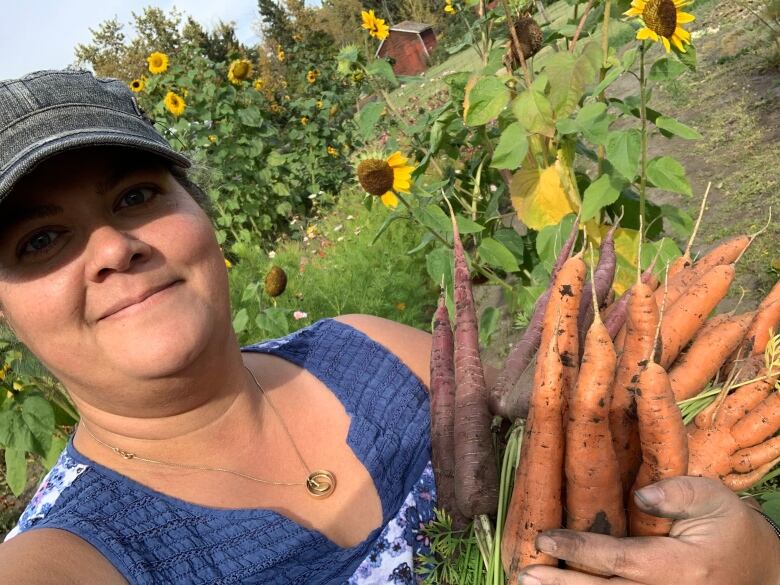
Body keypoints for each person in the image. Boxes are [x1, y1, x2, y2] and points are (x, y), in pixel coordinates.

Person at [0, 69, 776, 585]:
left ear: (203, 216)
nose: (111, 247)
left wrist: (757, 561)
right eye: (40, 240)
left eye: (136, 196)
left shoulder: (367, 350)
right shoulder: (66, 558)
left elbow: (598, 463)